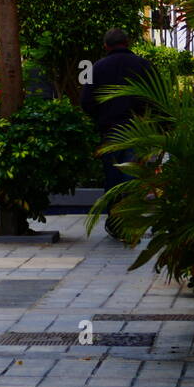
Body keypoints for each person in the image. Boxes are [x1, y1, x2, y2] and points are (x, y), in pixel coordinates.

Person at [80, 28, 154, 239]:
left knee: (113, 177)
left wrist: (100, 117)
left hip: (111, 130)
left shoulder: (98, 68)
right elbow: (157, 97)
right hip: (138, 129)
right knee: (132, 175)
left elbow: (86, 101)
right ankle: (131, 220)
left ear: (106, 46)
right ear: (128, 42)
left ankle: (115, 221)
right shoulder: (144, 65)